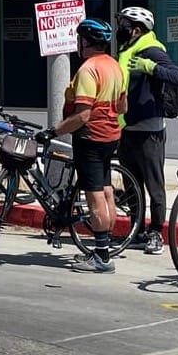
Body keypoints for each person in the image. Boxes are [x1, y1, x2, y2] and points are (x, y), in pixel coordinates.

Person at [42, 17, 126, 273]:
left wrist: (53, 131)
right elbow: (123, 107)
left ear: (86, 41)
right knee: (106, 189)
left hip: (91, 137)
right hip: (112, 136)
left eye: (79, 39)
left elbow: (82, 115)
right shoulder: (114, 66)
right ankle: (106, 247)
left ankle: (101, 256)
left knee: (94, 194)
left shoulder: (89, 69)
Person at [115, 5, 178, 256]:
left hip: (149, 130)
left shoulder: (152, 50)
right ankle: (137, 230)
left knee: (154, 185)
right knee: (132, 184)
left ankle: (156, 233)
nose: (119, 29)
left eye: (124, 24)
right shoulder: (126, 50)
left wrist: (151, 67)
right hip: (127, 127)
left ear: (137, 29)